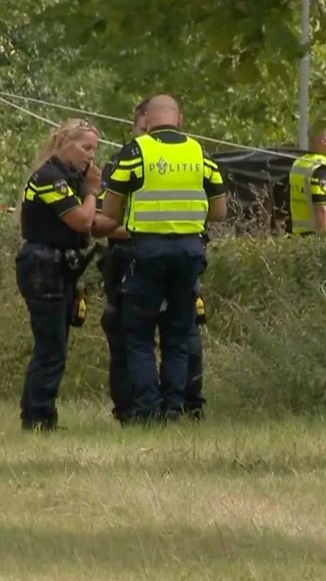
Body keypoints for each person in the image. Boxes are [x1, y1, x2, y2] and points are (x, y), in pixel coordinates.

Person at [99, 94, 227, 423]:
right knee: (179, 333)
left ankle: (146, 410)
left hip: (147, 253)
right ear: (179, 119)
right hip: (189, 253)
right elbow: (219, 211)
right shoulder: (201, 154)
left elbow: (111, 211)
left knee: (139, 335)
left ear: (148, 119)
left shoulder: (134, 153)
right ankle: (174, 408)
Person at [15, 118, 102, 432]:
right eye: (85, 147)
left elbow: (96, 221)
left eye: (94, 149)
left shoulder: (70, 178)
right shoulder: (51, 178)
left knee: (57, 344)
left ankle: (43, 414)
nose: (91, 156)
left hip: (60, 265)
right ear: (65, 142)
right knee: (50, 346)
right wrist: (92, 192)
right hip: (43, 265)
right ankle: (37, 418)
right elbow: (82, 221)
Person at [93, 99, 149, 425]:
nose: (147, 137)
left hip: (169, 259)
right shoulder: (118, 164)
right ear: (134, 126)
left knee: (180, 337)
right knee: (124, 336)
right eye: (143, 130)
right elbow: (104, 221)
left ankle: (179, 410)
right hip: (126, 258)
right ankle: (128, 411)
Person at [289, 123, 326, 235]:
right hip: (325, 233)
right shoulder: (322, 169)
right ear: (324, 141)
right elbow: (321, 210)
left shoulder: (300, 163)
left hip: (301, 235)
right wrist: (324, 243)